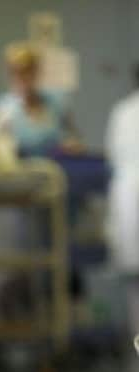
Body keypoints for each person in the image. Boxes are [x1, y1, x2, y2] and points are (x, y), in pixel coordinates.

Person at [0, 42, 83, 158]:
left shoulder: (56, 103)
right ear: (10, 75)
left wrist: (72, 146)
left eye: (28, 72)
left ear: (37, 72)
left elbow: (76, 140)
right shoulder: (4, 111)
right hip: (20, 174)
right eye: (17, 73)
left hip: (53, 172)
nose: (23, 78)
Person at [104, 63, 139, 334]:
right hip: (128, 193)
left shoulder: (122, 112)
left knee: (133, 278)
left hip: (126, 194)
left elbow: (111, 155)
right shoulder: (124, 112)